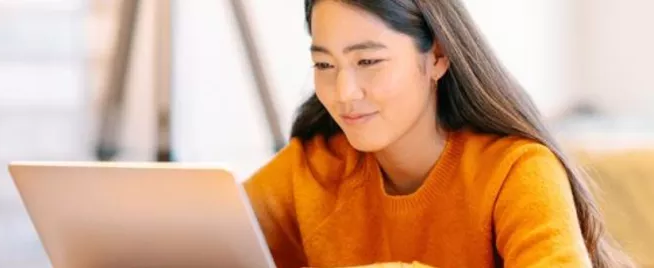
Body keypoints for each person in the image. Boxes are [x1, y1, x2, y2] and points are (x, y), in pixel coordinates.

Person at [243, 0, 631, 267]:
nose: (344, 93)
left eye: (368, 61)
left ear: (438, 56)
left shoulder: (517, 170)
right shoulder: (310, 167)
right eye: (325, 64)